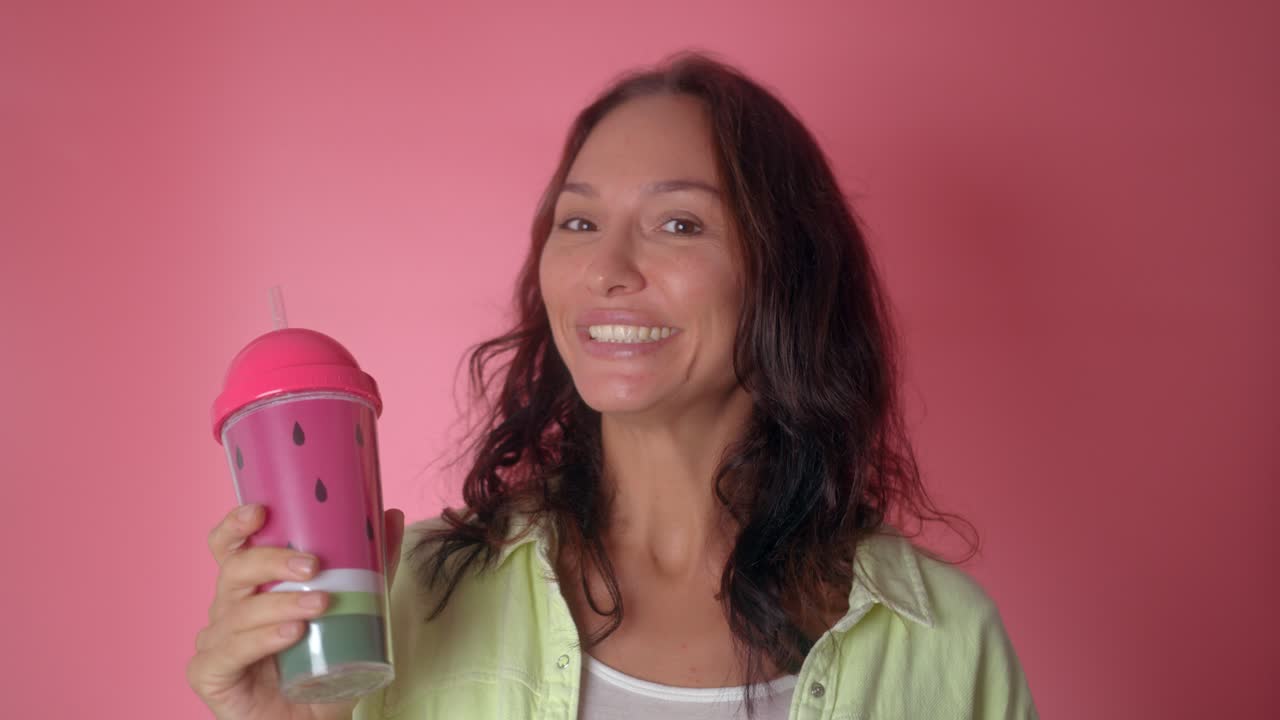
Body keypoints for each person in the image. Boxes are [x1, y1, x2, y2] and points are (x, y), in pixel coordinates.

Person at [188, 52, 1038, 719]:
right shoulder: (398, 602)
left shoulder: (945, 640)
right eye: (580, 221)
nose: (607, 269)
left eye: (678, 223)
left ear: (787, 273)